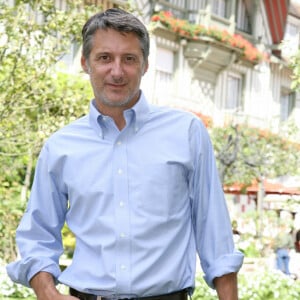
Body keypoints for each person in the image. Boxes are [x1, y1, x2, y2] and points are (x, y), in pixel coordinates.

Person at [6, 8, 244, 300]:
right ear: (85, 63)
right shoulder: (61, 146)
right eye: (105, 58)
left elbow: (215, 233)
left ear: (145, 65)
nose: (117, 71)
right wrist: (47, 292)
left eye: (129, 59)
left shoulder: (186, 132)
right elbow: (38, 232)